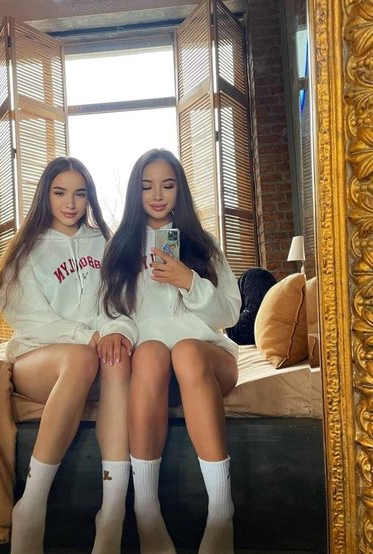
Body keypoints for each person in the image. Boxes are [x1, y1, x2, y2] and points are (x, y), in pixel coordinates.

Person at [0, 157, 135, 554]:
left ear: (89, 198)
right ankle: (31, 505)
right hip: (38, 358)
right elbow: (30, 319)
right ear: (45, 196)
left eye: (80, 194)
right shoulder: (28, 249)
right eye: (60, 192)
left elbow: (123, 305)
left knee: (118, 358)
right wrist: (87, 336)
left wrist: (116, 331)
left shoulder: (105, 244)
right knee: (83, 359)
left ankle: (113, 511)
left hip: (94, 356)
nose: (70, 203)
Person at [100, 148, 241, 554]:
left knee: (186, 352)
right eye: (147, 187)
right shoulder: (120, 247)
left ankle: (221, 512)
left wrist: (189, 281)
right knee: (150, 353)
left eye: (167, 185)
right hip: (152, 370)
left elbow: (229, 313)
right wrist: (117, 330)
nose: (158, 195)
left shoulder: (202, 242)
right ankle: (146, 512)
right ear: (135, 192)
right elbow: (110, 311)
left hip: (206, 361)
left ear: (180, 190)